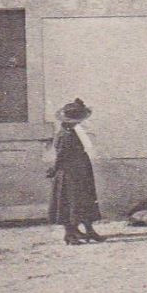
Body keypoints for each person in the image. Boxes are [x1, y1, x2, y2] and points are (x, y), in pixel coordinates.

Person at [47, 98, 103, 245]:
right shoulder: (64, 135)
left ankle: (88, 230)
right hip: (69, 173)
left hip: (80, 171)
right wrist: (55, 169)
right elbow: (61, 156)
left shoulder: (70, 132)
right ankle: (70, 234)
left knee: (84, 200)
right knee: (71, 202)